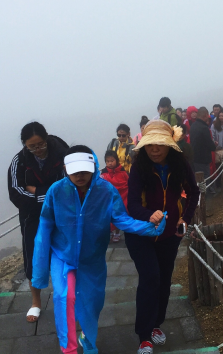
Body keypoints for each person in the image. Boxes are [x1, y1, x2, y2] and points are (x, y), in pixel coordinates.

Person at [32, 145, 166, 354]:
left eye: (85, 170)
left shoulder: (105, 191)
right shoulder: (56, 192)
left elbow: (121, 219)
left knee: (92, 303)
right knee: (63, 297)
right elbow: (44, 229)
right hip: (63, 256)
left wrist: (150, 226)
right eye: (74, 170)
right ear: (66, 169)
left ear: (94, 166)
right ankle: (69, 349)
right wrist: (39, 275)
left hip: (92, 259)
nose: (80, 175)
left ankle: (88, 338)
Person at [127, 121, 200, 354]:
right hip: (141, 234)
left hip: (170, 234)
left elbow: (194, 192)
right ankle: (144, 336)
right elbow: (133, 205)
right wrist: (150, 215)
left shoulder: (180, 165)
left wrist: (185, 219)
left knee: (164, 280)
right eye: (150, 145)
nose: (155, 150)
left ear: (170, 145)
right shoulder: (139, 167)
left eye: (160, 144)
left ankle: (156, 325)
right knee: (150, 278)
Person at [7, 121, 69, 323]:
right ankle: (35, 302)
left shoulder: (62, 153)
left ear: (47, 138)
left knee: (66, 252)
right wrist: (48, 194)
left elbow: (69, 182)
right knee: (33, 255)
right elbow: (17, 193)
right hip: (32, 216)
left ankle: (69, 296)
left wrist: (37, 191)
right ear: (24, 144)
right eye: (32, 146)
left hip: (63, 212)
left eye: (41, 144)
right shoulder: (20, 161)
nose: (38, 150)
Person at [100, 150, 129, 243]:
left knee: (119, 215)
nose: (110, 163)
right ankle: (111, 232)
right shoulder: (103, 173)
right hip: (109, 199)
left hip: (122, 198)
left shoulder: (123, 172)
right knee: (108, 215)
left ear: (116, 160)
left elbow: (129, 184)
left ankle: (117, 233)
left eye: (112, 161)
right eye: (107, 161)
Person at [189, 107, 216, 181]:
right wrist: (214, 146)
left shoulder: (193, 126)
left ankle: (200, 192)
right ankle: (205, 192)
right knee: (205, 177)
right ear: (205, 115)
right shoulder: (204, 128)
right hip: (203, 158)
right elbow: (209, 143)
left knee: (197, 177)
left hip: (194, 156)